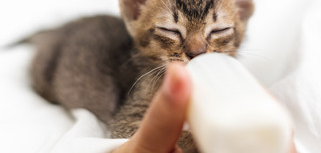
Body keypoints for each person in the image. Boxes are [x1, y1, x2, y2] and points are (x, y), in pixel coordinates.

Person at [112, 62, 297, 153]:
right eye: (171, 31)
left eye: (218, 31)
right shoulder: (149, 81)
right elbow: (121, 128)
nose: (196, 50)